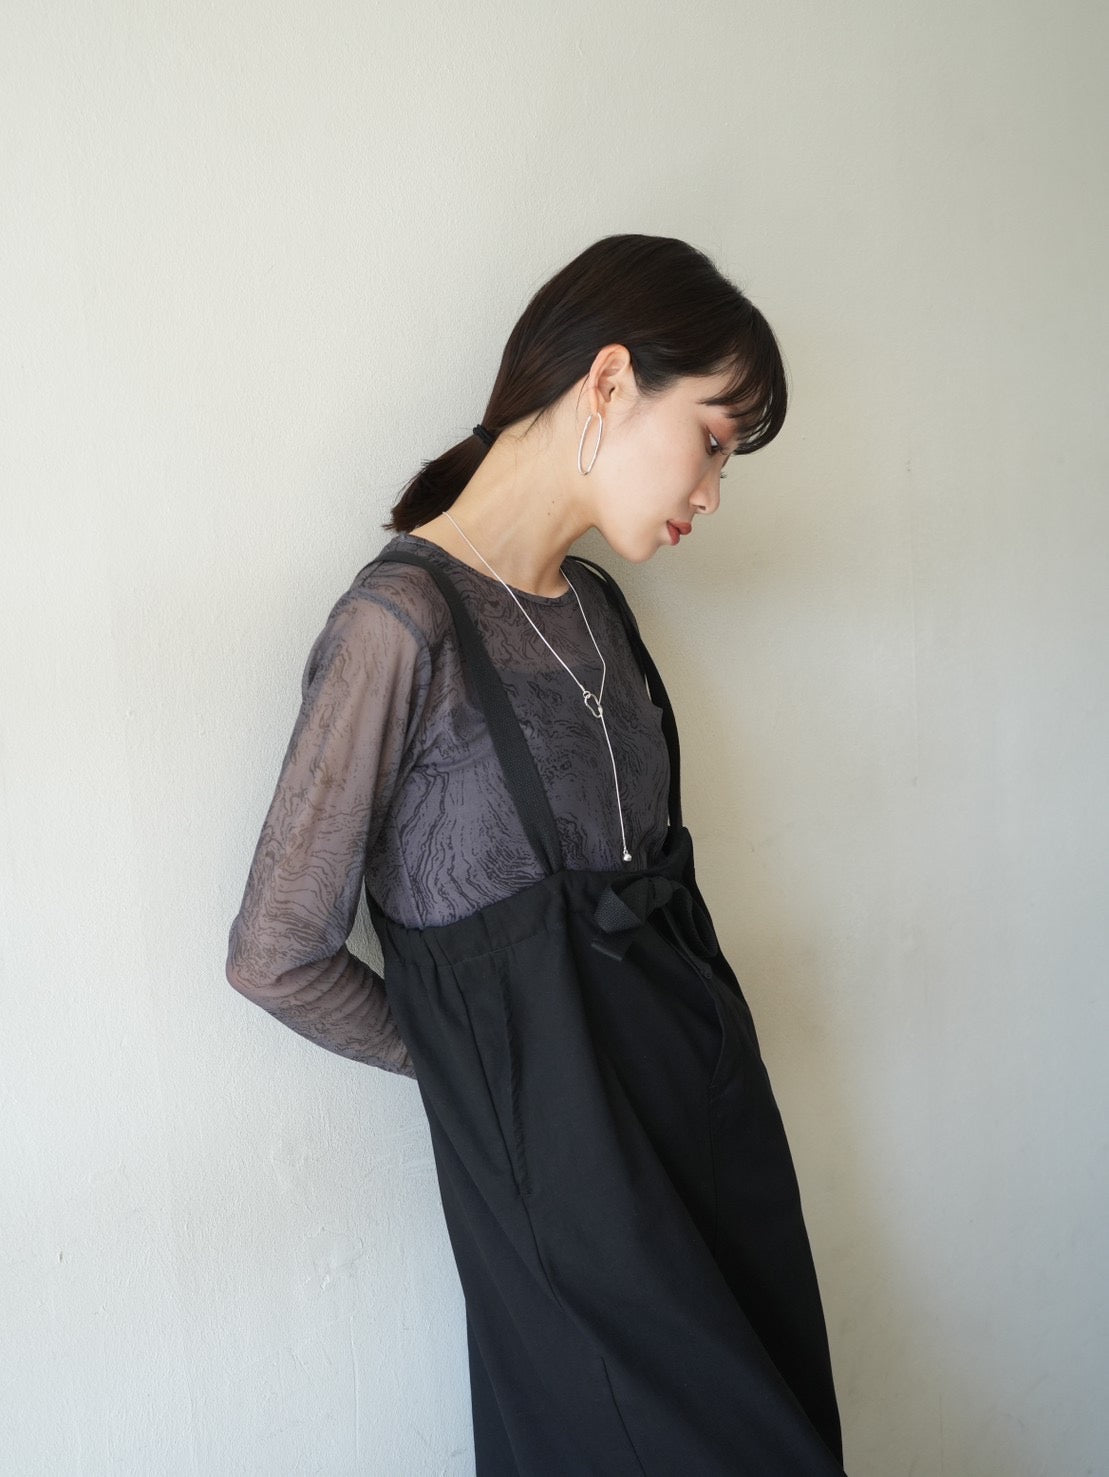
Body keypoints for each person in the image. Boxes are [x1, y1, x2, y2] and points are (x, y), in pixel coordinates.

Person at [225, 233, 846, 1474]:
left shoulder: (599, 611)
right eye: (713, 440)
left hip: (715, 1150)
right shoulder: (396, 628)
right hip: (574, 1215)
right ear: (609, 382)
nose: (712, 492)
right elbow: (274, 953)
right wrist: (493, 1077)